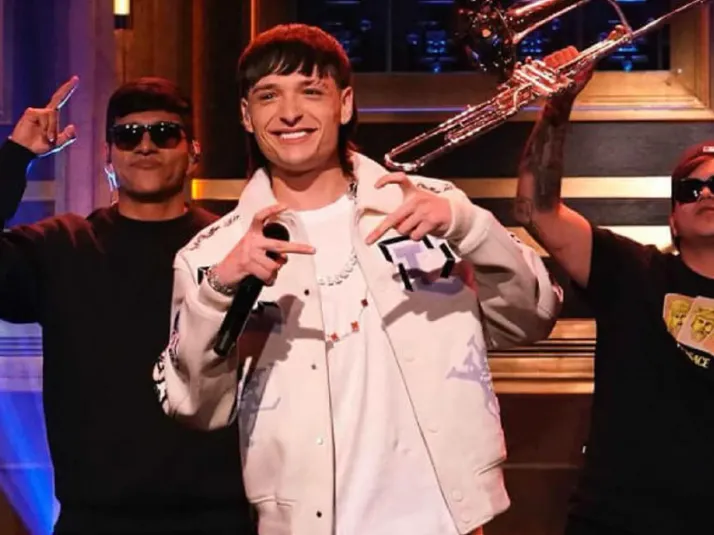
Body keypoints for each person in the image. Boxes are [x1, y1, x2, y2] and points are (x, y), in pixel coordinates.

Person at [154, 23, 562, 535]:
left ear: (344, 104)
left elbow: (533, 318)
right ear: (245, 114)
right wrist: (218, 292)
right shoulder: (212, 254)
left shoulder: (429, 207)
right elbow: (194, 406)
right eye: (268, 95)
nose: (289, 113)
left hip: (445, 520)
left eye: (311, 91)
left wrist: (471, 228)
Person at [0, 76, 255, 534]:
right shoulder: (63, 247)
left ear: (193, 153)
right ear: (108, 157)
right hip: (94, 520)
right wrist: (16, 155)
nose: (145, 145)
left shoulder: (234, 250)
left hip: (216, 519)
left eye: (165, 133)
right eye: (128, 134)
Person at [515, 46, 714, 535]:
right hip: (619, 519)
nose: (707, 193)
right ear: (673, 218)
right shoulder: (633, 270)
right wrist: (556, 109)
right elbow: (536, 211)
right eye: (692, 190)